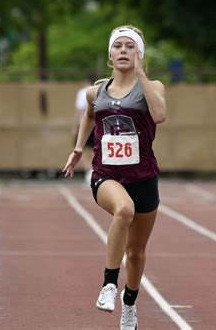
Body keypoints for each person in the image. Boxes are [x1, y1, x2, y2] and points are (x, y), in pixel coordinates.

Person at [63, 25, 166, 330]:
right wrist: (79, 148)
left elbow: (159, 116)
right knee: (123, 210)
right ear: (109, 54)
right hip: (106, 175)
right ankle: (109, 284)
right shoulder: (97, 90)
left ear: (139, 53)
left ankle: (130, 304)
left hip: (143, 177)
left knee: (135, 254)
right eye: (118, 46)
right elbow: (89, 115)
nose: (123, 50)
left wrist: (142, 75)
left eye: (130, 46)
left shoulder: (153, 87)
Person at [73, 76, 96, 184]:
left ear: (85, 81)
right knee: (94, 149)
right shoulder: (99, 90)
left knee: (79, 148)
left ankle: (89, 170)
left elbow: (79, 111)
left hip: (86, 124)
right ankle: (92, 169)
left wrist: (76, 127)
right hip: (96, 123)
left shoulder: (83, 92)